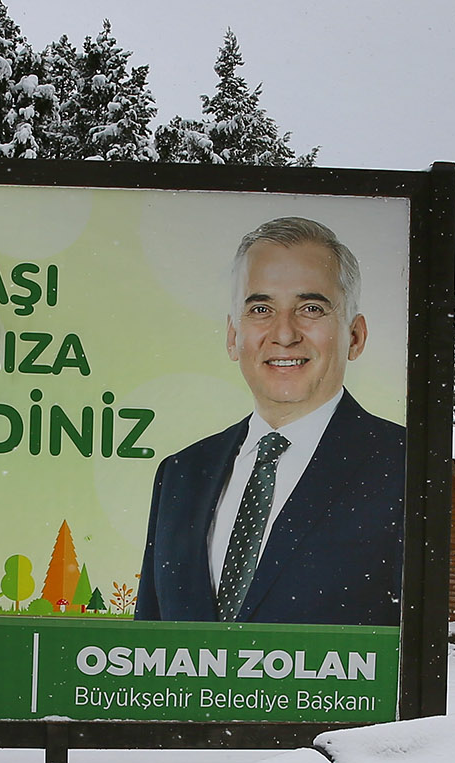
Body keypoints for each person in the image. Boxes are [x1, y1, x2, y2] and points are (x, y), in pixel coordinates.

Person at [134, 216, 405, 625]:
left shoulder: (406, 468)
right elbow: (148, 647)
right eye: (261, 308)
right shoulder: (181, 474)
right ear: (232, 336)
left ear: (355, 336)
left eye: (311, 308)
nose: (283, 333)